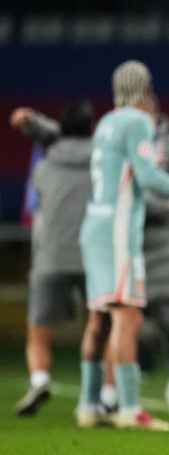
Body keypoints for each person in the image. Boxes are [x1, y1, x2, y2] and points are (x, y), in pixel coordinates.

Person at [76, 60, 169, 431]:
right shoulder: (137, 122)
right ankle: (130, 408)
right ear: (146, 89)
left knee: (99, 320)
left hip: (95, 226)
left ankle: (89, 406)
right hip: (119, 230)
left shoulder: (106, 122)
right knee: (128, 317)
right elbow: (148, 175)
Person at [10, 101, 95, 416]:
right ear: (91, 129)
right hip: (92, 256)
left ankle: (40, 379)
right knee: (100, 326)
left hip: (51, 257)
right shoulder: (101, 161)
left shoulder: (44, 168)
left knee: (39, 329)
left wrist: (33, 125)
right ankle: (97, 393)